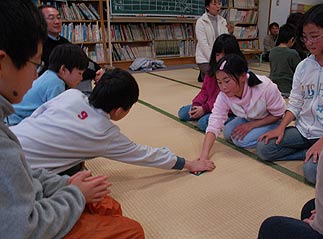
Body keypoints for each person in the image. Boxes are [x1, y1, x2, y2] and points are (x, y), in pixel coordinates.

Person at [0, 0, 143, 238]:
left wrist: (65, 186)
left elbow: (26, 171)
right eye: (35, 64)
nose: (36, 76)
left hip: (34, 188)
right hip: (30, 220)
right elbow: (22, 228)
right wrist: (75, 193)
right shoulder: (84, 112)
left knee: (108, 206)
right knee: (131, 230)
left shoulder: (71, 96)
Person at [258, 1, 323, 238]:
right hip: (303, 130)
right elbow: (294, 101)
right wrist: (281, 127)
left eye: (315, 36)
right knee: (264, 147)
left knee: (312, 171)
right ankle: (306, 151)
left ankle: (312, 154)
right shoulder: (304, 65)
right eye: (305, 37)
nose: (309, 43)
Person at [10, 68, 216, 175]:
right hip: (17, 174)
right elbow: (146, 155)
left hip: (10, 137)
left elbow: (37, 116)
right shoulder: (104, 134)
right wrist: (189, 164)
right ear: (118, 111)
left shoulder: (71, 95)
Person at [197, 54, 285, 164]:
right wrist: (204, 157)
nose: (223, 87)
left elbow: (278, 114)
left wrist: (251, 125)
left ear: (243, 77)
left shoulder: (265, 87)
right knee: (228, 132)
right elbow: (215, 121)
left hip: (272, 119)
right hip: (250, 118)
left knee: (241, 141)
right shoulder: (224, 95)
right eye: (219, 82)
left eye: (227, 81)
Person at [5, 44, 88, 126]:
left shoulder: (49, 76)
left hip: (12, 116)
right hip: (15, 122)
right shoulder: (56, 83)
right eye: (79, 73)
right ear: (63, 70)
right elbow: (57, 116)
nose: (81, 78)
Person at [178, 34, 242, 131]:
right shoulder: (212, 70)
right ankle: (207, 114)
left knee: (203, 123)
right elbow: (204, 91)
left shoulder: (236, 73)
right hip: (210, 105)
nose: (220, 58)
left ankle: (231, 120)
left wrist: (205, 109)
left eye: (224, 55)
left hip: (228, 110)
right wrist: (197, 104)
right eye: (217, 54)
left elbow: (226, 99)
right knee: (183, 113)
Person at [39, 5, 102, 94]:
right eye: (51, 18)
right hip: (54, 87)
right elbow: (61, 70)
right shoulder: (38, 44)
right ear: (40, 21)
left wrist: (98, 70)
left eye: (58, 17)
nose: (57, 21)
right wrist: (94, 74)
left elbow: (81, 58)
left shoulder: (62, 41)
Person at [195, 0, 233, 82]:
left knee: (230, 75)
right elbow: (203, 44)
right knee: (217, 78)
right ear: (207, 7)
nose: (218, 6)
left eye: (219, 4)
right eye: (214, 4)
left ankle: (204, 74)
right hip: (205, 58)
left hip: (220, 57)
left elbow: (225, 42)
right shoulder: (201, 22)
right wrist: (213, 60)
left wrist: (230, 33)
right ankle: (204, 73)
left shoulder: (223, 21)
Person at [269, 24, 301, 97]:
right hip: (288, 89)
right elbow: (299, 72)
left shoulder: (272, 51)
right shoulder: (293, 53)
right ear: (292, 39)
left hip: (273, 87)